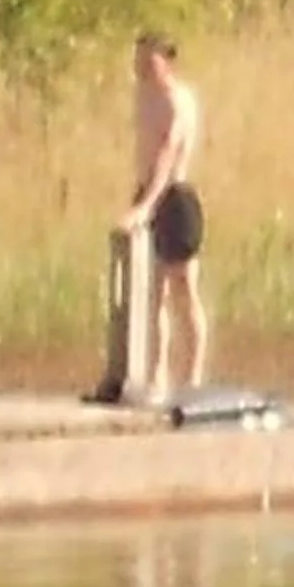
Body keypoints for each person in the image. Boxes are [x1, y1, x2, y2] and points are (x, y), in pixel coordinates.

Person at [119, 31, 208, 400]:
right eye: (137, 59)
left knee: (183, 289)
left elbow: (167, 154)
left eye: (148, 60)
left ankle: (194, 377)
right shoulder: (143, 96)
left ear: (165, 61)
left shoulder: (177, 100)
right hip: (147, 193)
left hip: (174, 198)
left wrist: (146, 205)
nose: (140, 67)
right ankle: (156, 375)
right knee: (152, 291)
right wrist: (139, 199)